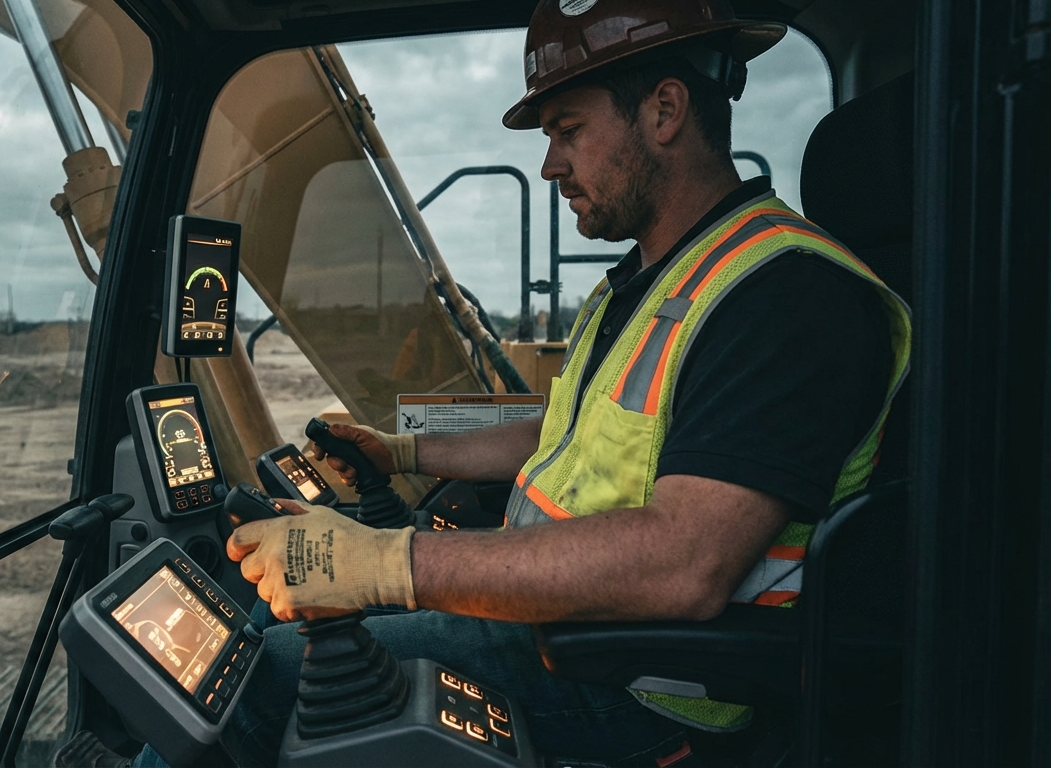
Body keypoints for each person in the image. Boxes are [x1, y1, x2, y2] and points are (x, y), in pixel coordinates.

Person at [133, 1, 911, 765]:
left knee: (248, 681)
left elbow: (684, 561)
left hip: (646, 680)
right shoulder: (646, 282)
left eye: (568, 131)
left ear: (665, 110)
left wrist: (380, 562)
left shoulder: (785, 299)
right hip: (572, 626)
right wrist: (403, 453)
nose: (550, 165)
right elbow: (565, 431)